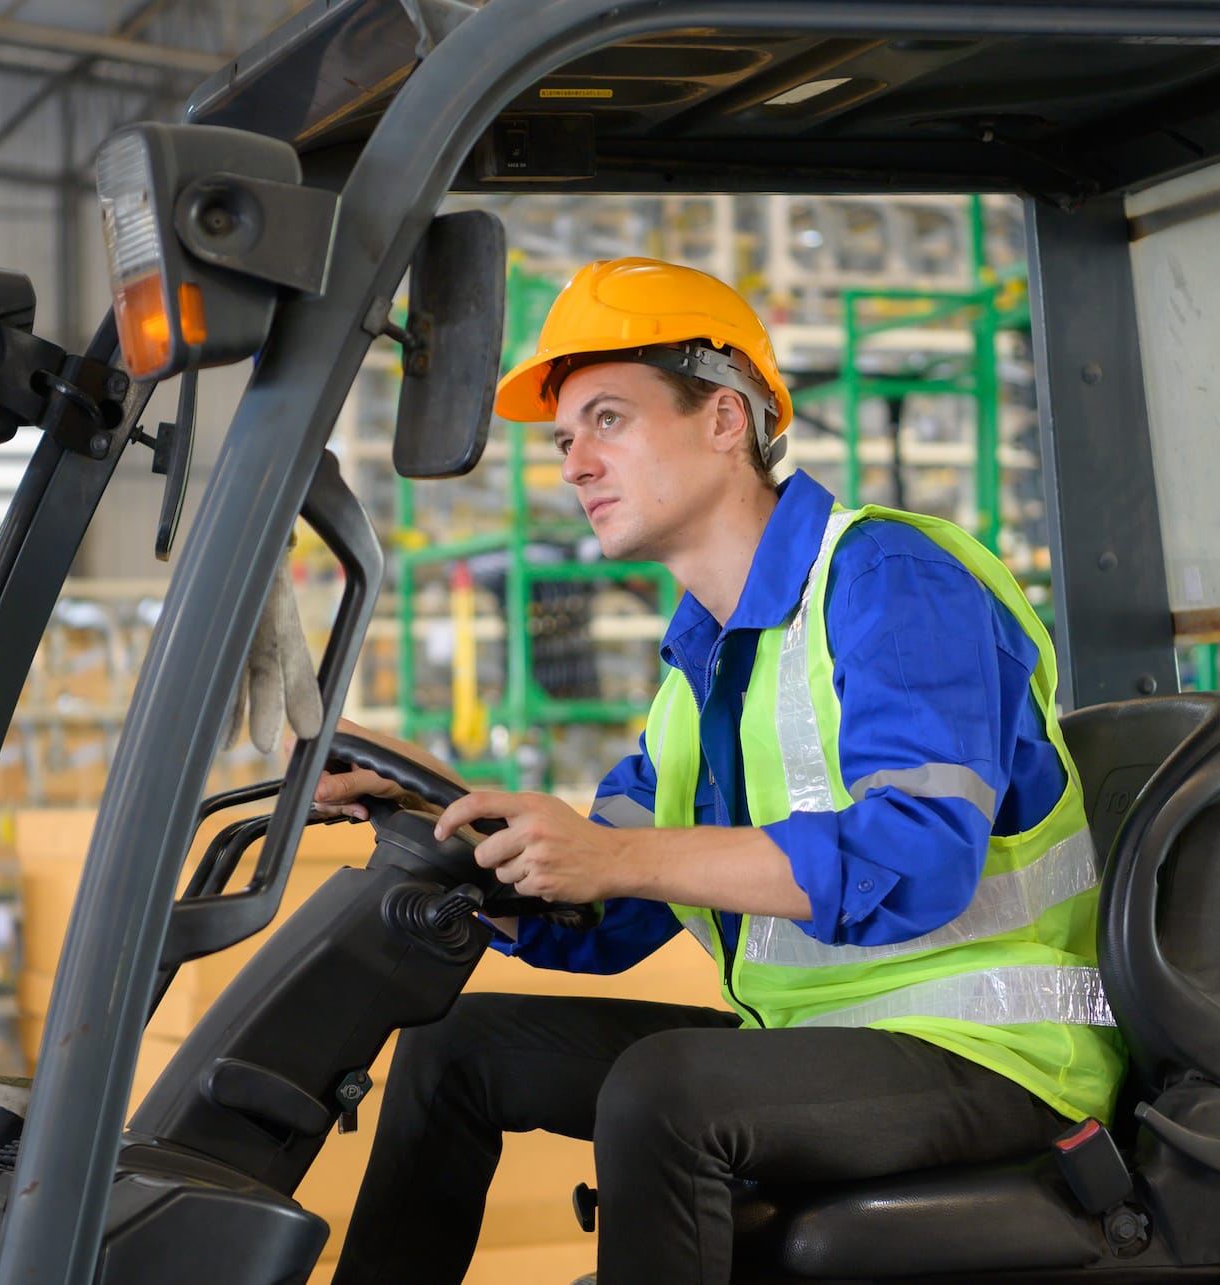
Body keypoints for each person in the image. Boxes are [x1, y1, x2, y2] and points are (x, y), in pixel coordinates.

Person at [318, 258, 1124, 1285]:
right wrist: (437, 810)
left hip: (996, 1057)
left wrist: (621, 855)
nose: (574, 463)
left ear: (723, 418)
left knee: (666, 1089)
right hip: (817, 1046)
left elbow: (917, 858)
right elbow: (603, 920)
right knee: (458, 1047)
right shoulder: (699, 666)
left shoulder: (888, 579)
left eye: (608, 418)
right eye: (566, 438)